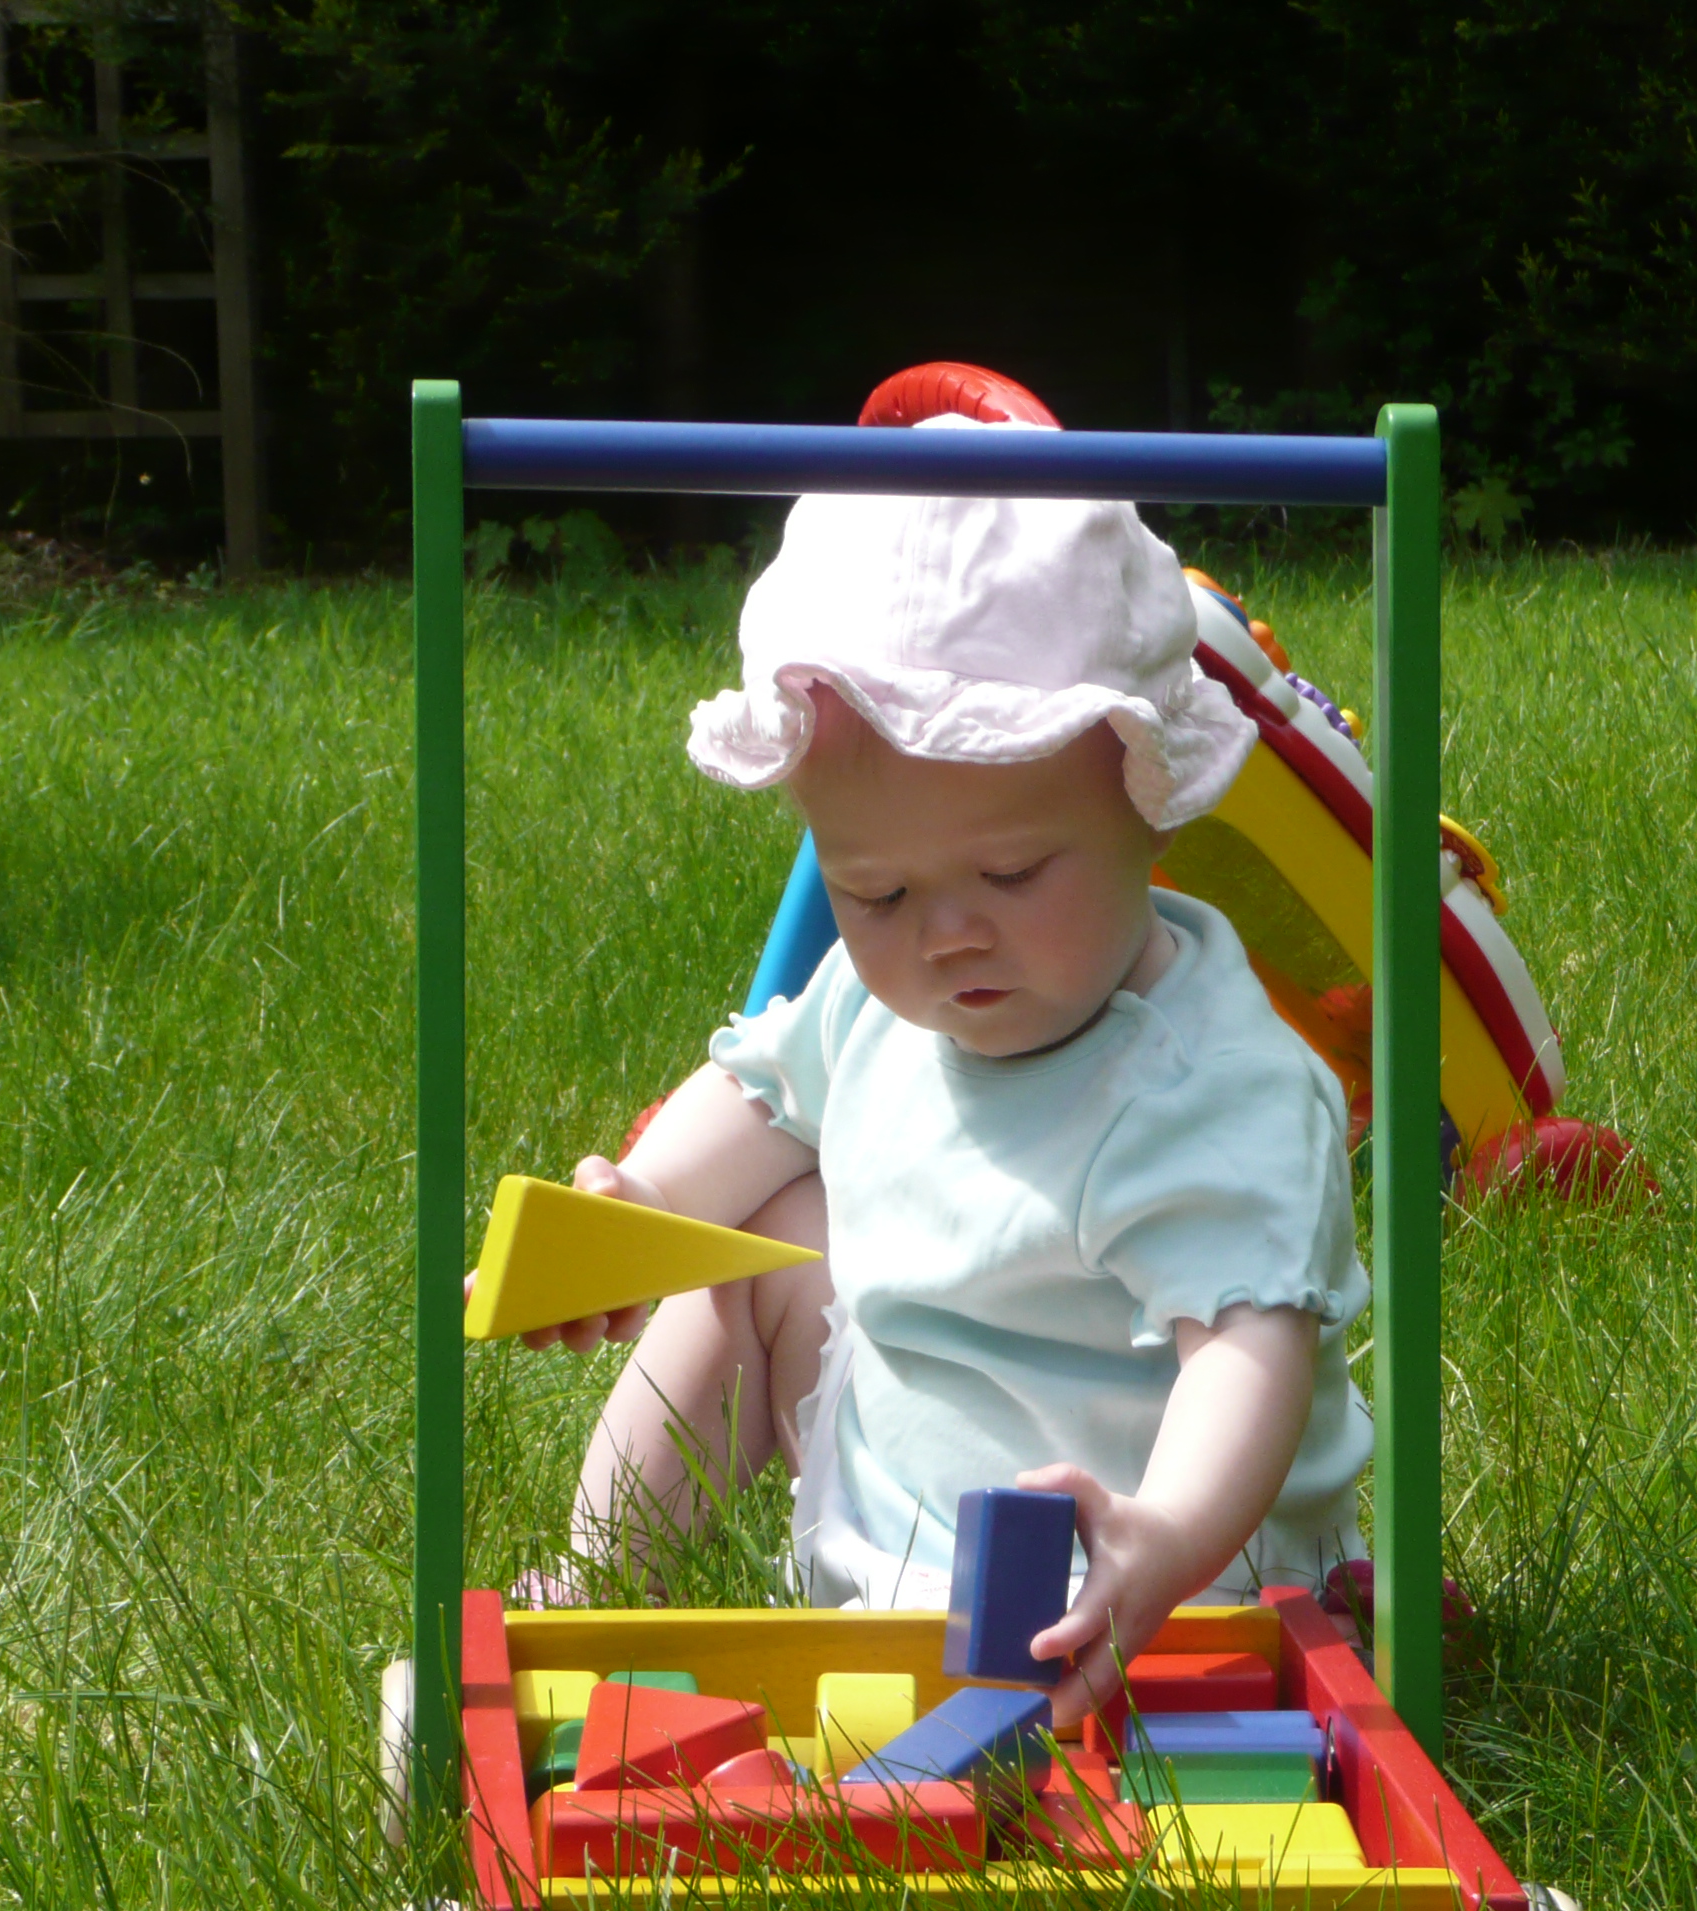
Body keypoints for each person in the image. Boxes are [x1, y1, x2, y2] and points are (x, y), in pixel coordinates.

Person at [484, 435, 1370, 1728]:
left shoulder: (1210, 1086)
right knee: (744, 1244)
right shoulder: (876, 998)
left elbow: (1249, 1353)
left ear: (1152, 803)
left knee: (1178, 1510)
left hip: (1145, 1595)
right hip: (901, 1517)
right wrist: (639, 1209)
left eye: (1011, 876)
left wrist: (1169, 1535)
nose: (946, 936)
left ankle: (1129, 1586)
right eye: (878, 891)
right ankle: (601, 1585)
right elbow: (760, 1096)